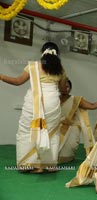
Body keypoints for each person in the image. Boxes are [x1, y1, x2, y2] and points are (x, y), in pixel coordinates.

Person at [0, 42, 67, 173]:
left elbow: (17, 81)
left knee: (28, 130)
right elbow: (63, 89)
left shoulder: (33, 66)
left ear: (42, 52)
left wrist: (1, 76)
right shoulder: (61, 70)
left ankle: (28, 163)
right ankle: (48, 164)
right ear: (57, 54)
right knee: (51, 132)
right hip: (52, 102)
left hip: (35, 101)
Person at [58, 79, 97, 163]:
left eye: (67, 87)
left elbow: (92, 106)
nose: (65, 89)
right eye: (63, 87)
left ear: (70, 88)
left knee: (67, 154)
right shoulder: (53, 99)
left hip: (71, 128)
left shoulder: (76, 99)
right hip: (56, 128)